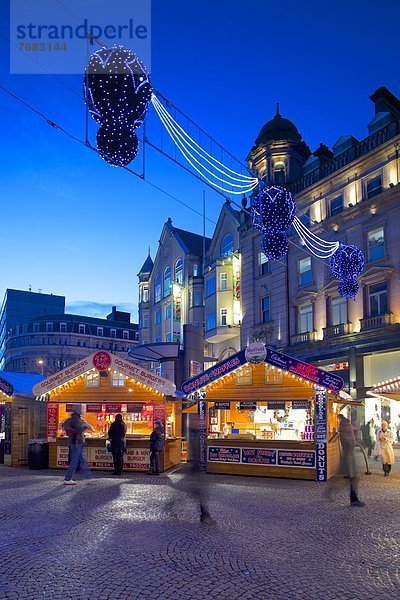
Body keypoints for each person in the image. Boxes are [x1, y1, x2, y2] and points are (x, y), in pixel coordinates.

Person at [62, 405, 94, 485]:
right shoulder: (77, 419)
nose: (83, 411)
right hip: (76, 442)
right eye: (82, 409)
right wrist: (86, 426)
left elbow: (65, 426)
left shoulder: (71, 419)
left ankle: (88, 477)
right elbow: (78, 429)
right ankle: (67, 478)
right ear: (78, 411)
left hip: (74, 442)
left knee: (82, 460)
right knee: (75, 461)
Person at [338, 414, 365, 507]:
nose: (351, 426)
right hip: (348, 459)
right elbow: (348, 444)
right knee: (352, 479)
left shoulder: (346, 431)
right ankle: (354, 500)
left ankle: (354, 499)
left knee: (353, 479)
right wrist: (353, 442)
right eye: (349, 425)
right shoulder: (344, 432)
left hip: (350, 459)